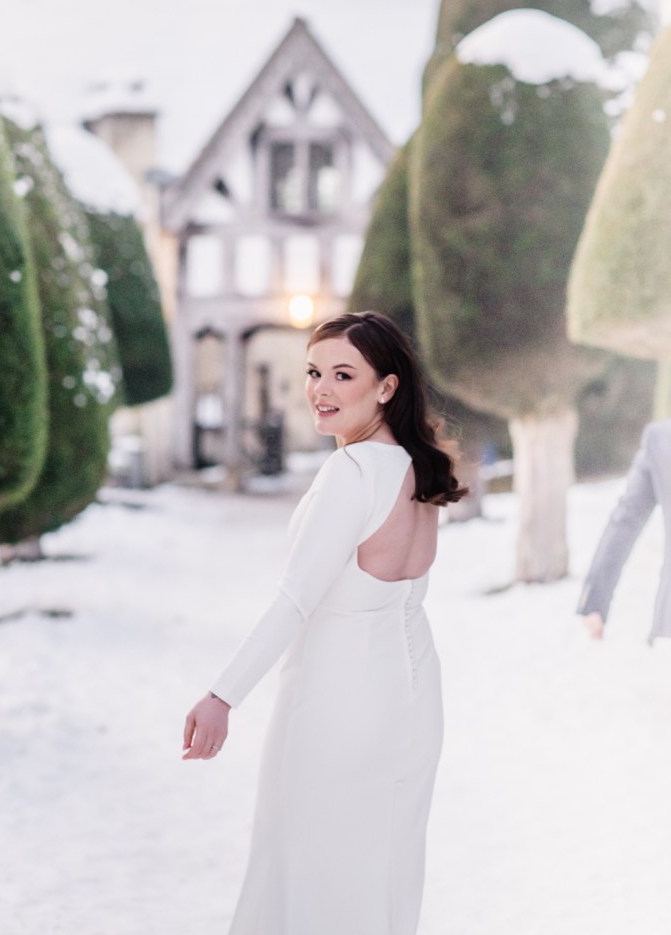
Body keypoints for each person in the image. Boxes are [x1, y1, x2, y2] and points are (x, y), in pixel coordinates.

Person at [183, 310, 466, 935]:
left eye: (344, 374)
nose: (321, 389)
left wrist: (221, 695)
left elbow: (294, 600)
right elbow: (403, 597)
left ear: (386, 387)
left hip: (338, 698)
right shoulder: (418, 470)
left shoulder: (354, 471)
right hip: (412, 697)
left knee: (309, 868)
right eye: (314, 372)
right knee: (382, 867)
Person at [578, 419, 671, 644]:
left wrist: (595, 600)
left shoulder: (661, 439)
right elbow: (626, 519)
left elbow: (625, 520)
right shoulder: (660, 439)